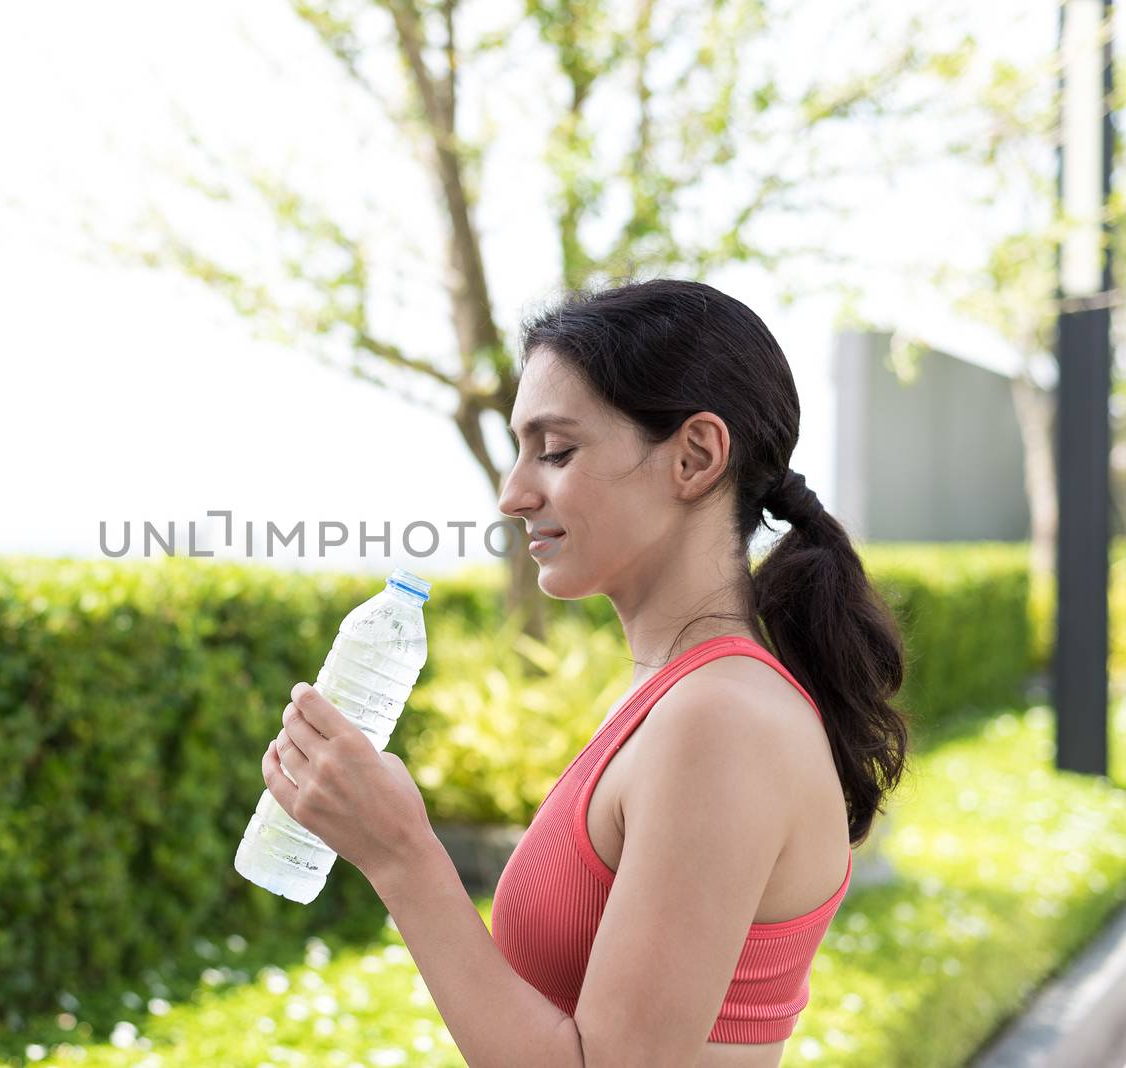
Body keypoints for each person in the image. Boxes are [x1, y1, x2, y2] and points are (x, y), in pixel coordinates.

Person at [264, 278, 911, 1068]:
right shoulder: (673, 695)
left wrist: (403, 854)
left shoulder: (722, 720)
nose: (513, 494)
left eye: (557, 450)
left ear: (696, 456)